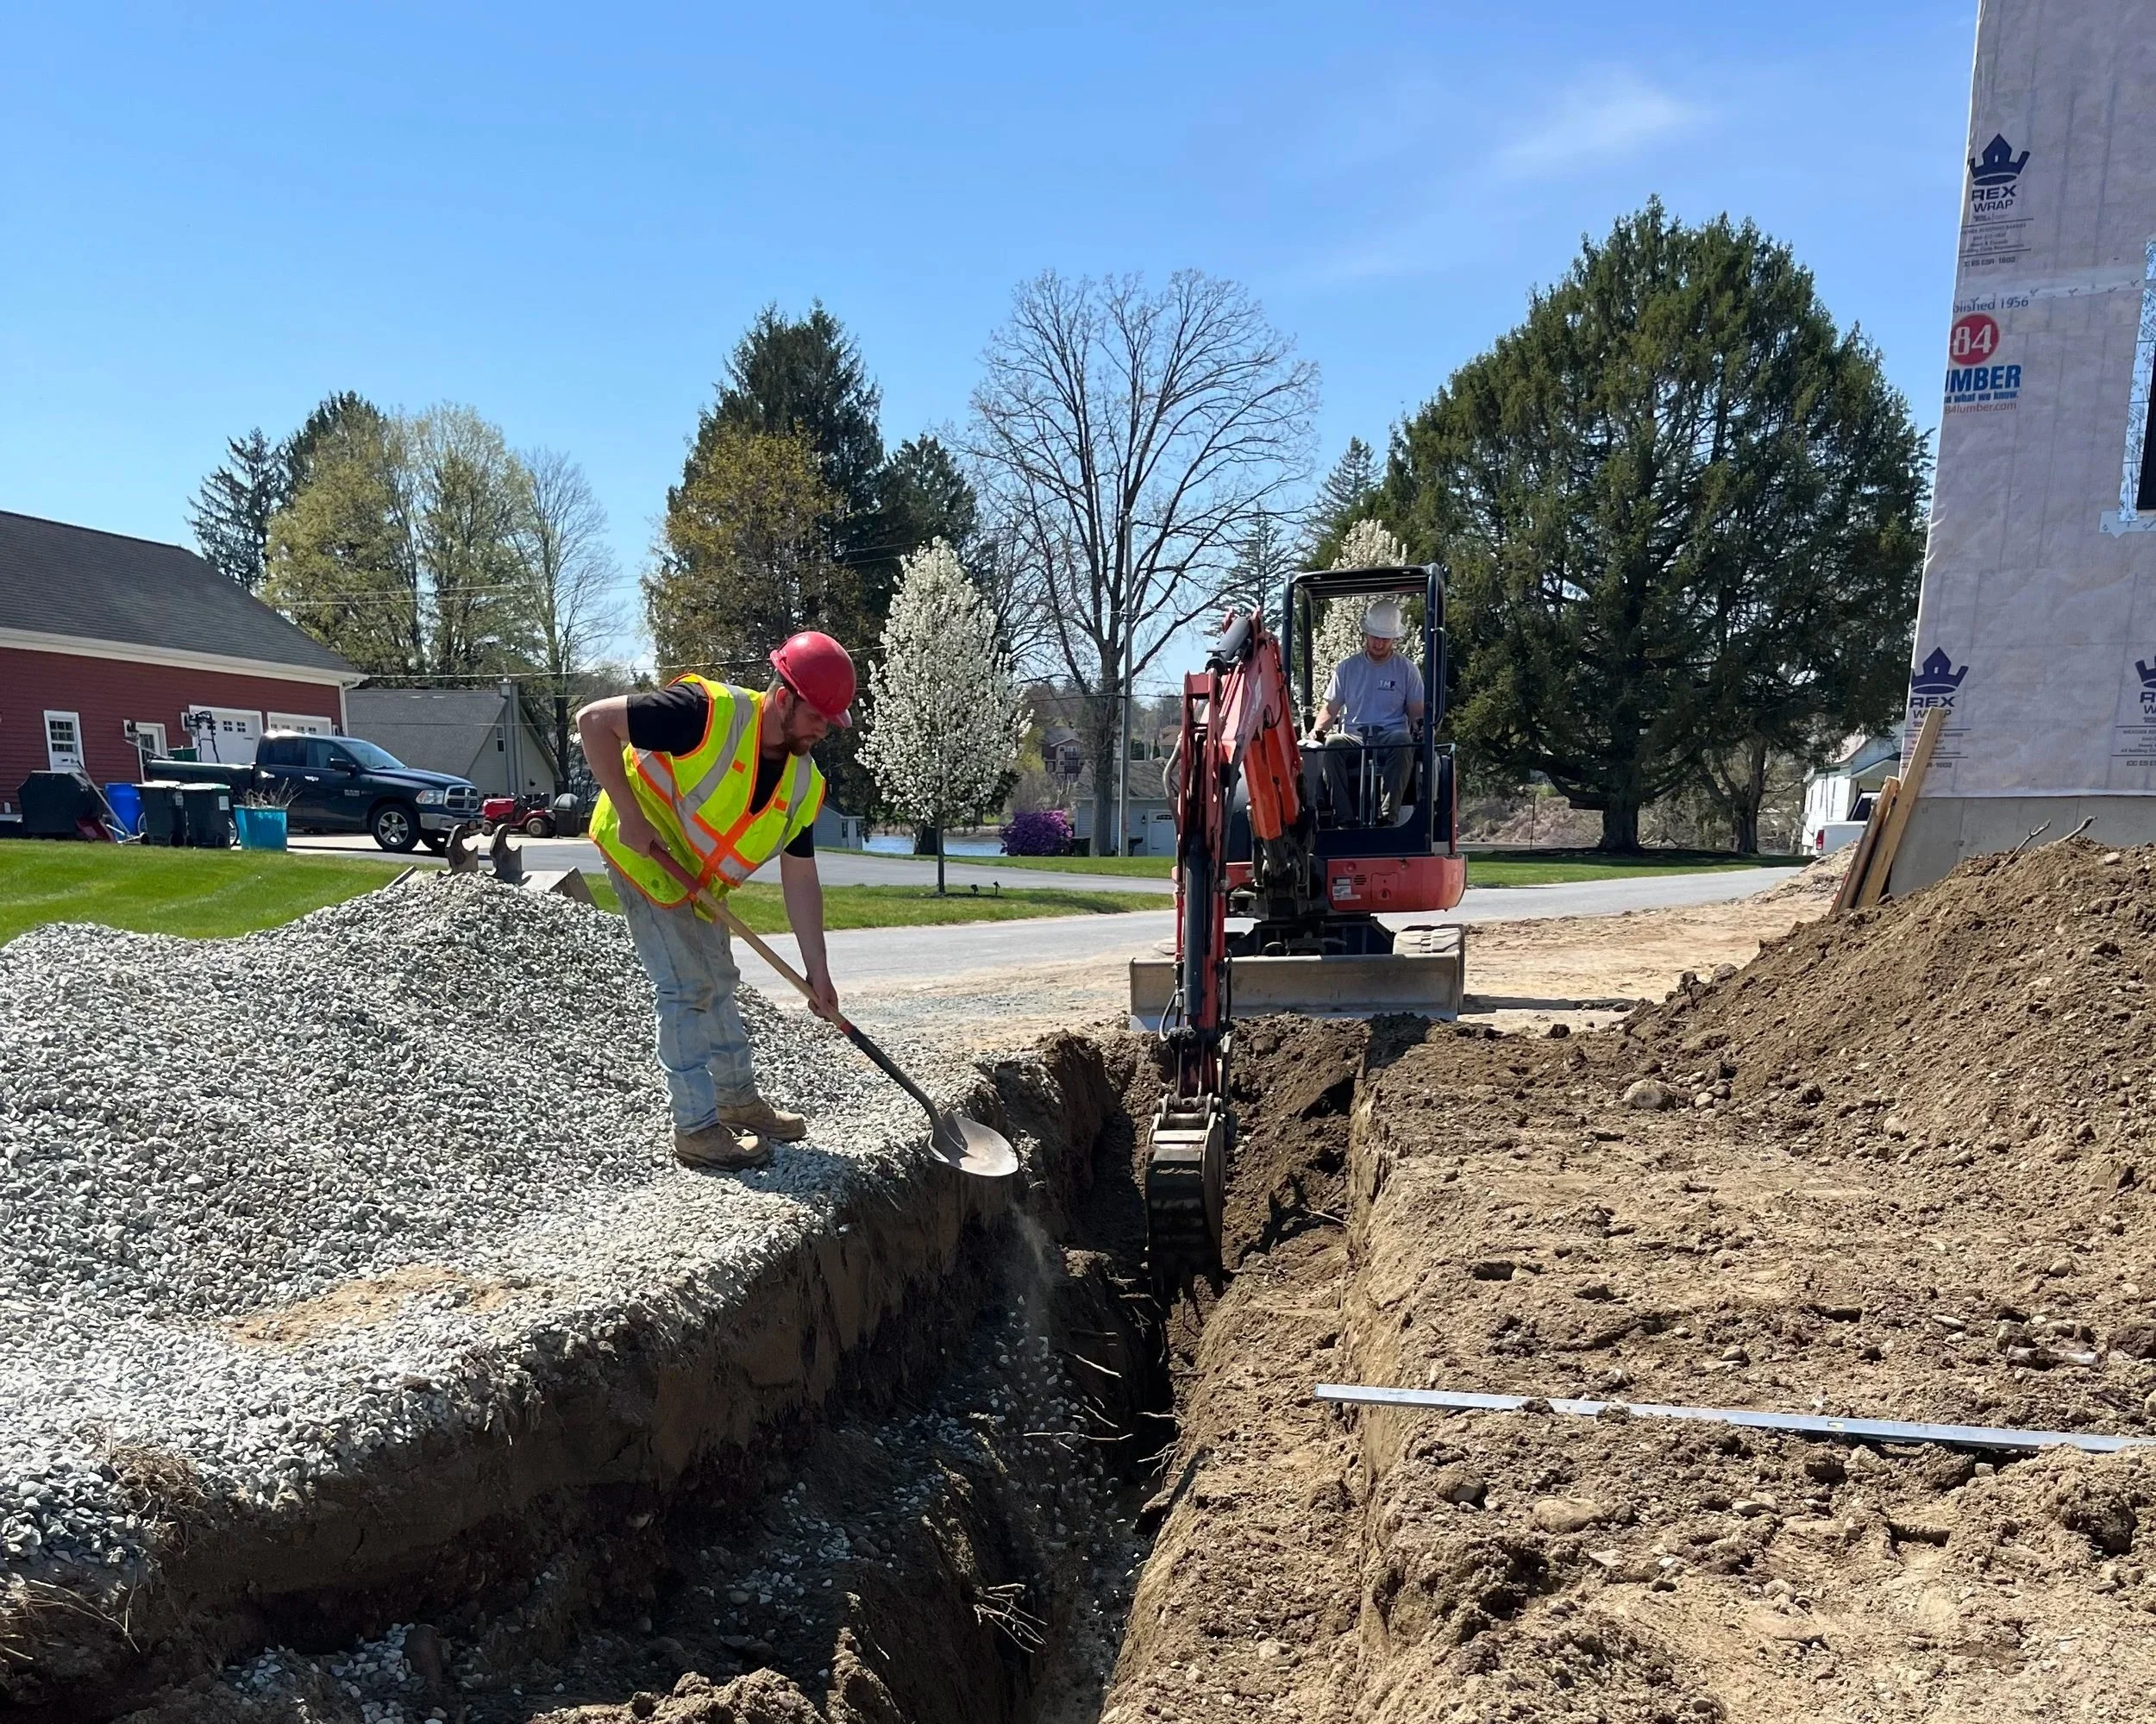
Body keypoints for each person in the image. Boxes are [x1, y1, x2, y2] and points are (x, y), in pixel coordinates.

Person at [578, 632, 854, 1171]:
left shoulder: (803, 783)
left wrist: (817, 971)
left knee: (720, 981)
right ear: (784, 697)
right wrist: (630, 815)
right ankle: (696, 1130)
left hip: (700, 880)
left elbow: (801, 878)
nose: (823, 730)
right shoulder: (706, 713)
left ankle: (738, 1103)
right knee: (686, 986)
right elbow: (593, 722)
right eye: (816, 717)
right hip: (644, 853)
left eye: (830, 721)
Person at [1304, 599, 1426, 825]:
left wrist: (1420, 729)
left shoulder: (1406, 670)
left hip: (1389, 738)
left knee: (1403, 740)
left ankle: (1387, 815)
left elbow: (1416, 711)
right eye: (1375, 637)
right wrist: (1317, 733)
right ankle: (1343, 817)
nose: (1379, 644)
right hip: (1355, 738)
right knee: (1332, 744)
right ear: (1366, 635)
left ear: (1394, 639)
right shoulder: (1347, 668)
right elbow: (1330, 708)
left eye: (1384, 639)